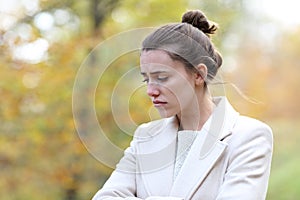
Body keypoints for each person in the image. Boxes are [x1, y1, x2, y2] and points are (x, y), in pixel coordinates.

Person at [92, 10, 273, 200]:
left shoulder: (250, 136)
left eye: (162, 78)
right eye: (147, 80)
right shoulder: (144, 137)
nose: (150, 91)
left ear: (198, 74)